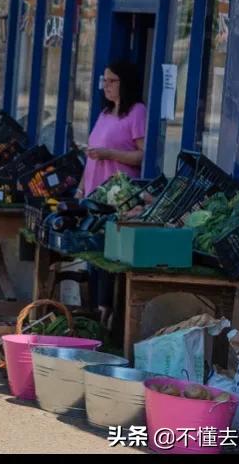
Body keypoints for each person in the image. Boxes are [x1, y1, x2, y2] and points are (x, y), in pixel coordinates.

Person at [76, 61, 147, 327]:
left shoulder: (137, 112)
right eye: (104, 80)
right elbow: (93, 155)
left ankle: (111, 318)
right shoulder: (105, 113)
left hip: (120, 199)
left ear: (125, 83)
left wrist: (110, 154)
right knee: (94, 257)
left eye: (112, 81)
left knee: (110, 261)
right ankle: (96, 312)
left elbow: (143, 156)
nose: (106, 86)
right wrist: (82, 187)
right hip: (95, 196)